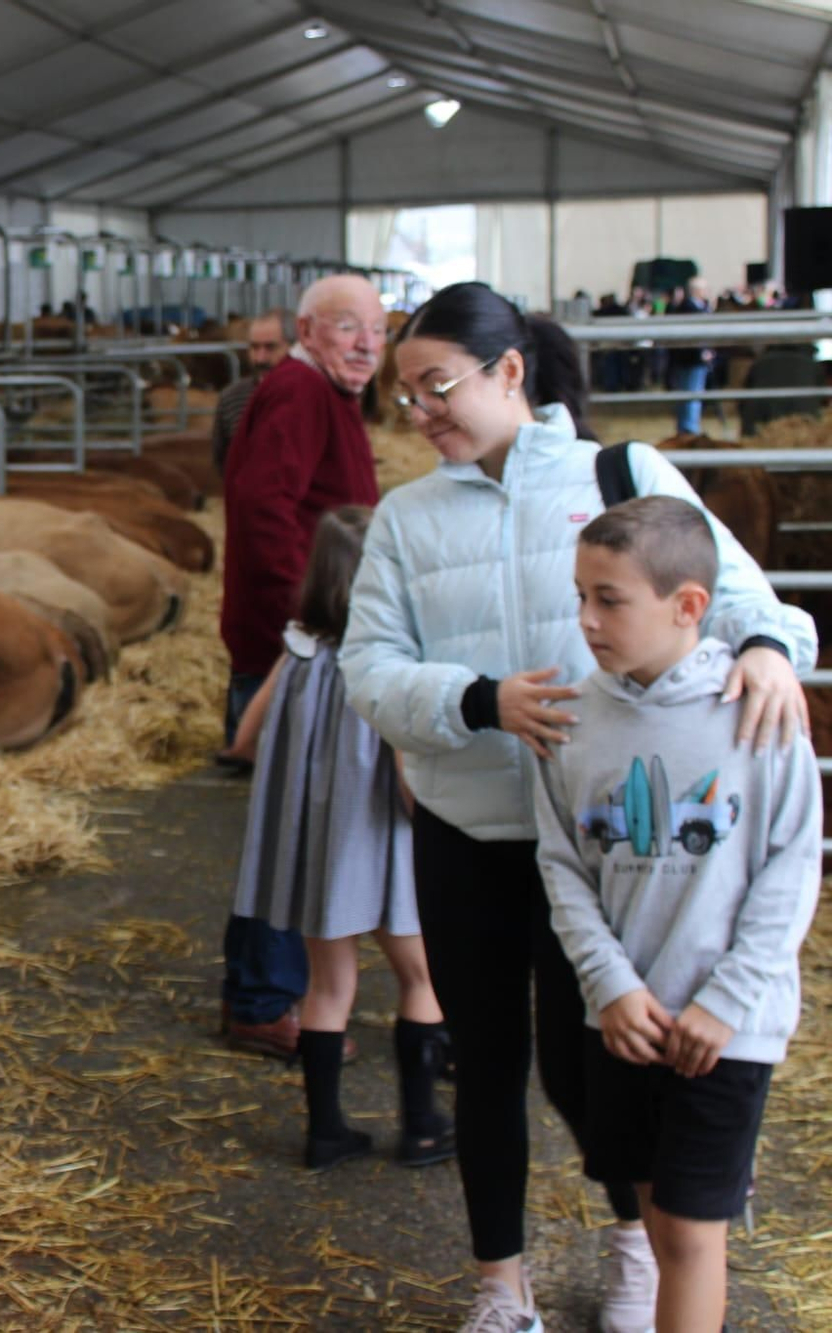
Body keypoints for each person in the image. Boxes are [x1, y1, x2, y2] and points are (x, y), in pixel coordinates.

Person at [340, 280, 814, 1333]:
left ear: (507, 373)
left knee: (595, 1060)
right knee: (486, 1059)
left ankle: (638, 1247)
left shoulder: (619, 474)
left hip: (611, 851)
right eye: (404, 394)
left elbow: (731, 594)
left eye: (434, 386)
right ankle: (498, 1287)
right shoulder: (404, 520)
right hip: (469, 827)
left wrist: (775, 649)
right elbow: (365, 671)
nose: (418, 414)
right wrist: (478, 700)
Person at [536, 496, 821, 1333]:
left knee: (695, 1234)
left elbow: (791, 867)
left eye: (610, 599)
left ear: (689, 605)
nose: (585, 618)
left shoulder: (757, 714)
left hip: (725, 1026)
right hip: (626, 1018)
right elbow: (562, 865)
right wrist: (608, 985)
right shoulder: (574, 721)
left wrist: (727, 1000)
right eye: (580, 594)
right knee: (660, 1217)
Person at [231, 506, 453, 1171]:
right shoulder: (389, 663)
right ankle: (421, 1126)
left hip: (321, 850)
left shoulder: (298, 649)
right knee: (421, 976)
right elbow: (404, 769)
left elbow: (243, 737)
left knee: (328, 988)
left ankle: (325, 1132)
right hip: (386, 844)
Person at [216, 273, 386, 1059]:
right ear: (310, 328)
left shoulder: (327, 396)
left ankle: (270, 988)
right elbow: (263, 507)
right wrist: (308, 621)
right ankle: (260, 1000)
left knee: (294, 822)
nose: (366, 345)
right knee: (286, 826)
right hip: (295, 650)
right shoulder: (297, 390)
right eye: (349, 327)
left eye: (378, 334)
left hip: (307, 642)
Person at [210, 307, 296, 474]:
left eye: (270, 348)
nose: (260, 358)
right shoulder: (232, 398)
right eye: (254, 348)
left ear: (294, 347)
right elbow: (222, 460)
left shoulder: (316, 396)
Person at [666, 278, 715, 437]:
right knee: (692, 393)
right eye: (705, 289)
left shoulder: (693, 306)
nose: (707, 292)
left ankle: (686, 427)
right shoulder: (690, 308)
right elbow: (693, 336)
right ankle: (689, 428)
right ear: (697, 291)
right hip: (692, 359)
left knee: (689, 393)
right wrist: (702, 352)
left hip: (689, 358)